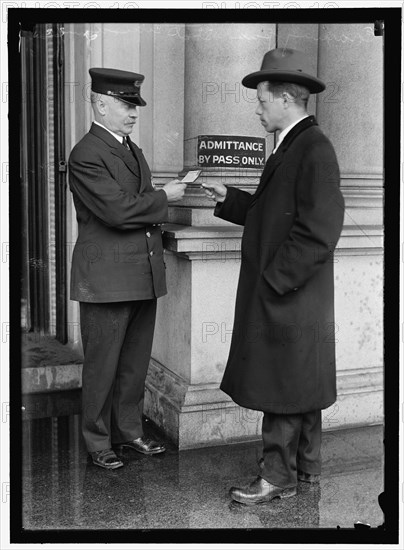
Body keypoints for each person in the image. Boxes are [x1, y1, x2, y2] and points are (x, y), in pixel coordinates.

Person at [202, 49, 345, 505]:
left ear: (285, 98)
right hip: (297, 293)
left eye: (261, 100)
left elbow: (320, 229)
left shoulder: (312, 147)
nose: (257, 108)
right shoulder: (296, 143)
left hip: (290, 293)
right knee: (300, 381)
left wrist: (275, 280)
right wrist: (230, 198)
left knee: (283, 384)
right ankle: (306, 469)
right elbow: (276, 215)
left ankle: (276, 477)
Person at [68, 68, 186, 470]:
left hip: (140, 274)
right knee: (102, 366)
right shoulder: (85, 153)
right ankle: (98, 441)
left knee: (134, 365)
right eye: (125, 104)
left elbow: (133, 199)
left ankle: (130, 432)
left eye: (135, 105)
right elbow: (117, 211)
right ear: (100, 104)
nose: (134, 113)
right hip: (106, 279)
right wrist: (163, 197)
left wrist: (158, 195)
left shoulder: (131, 149)